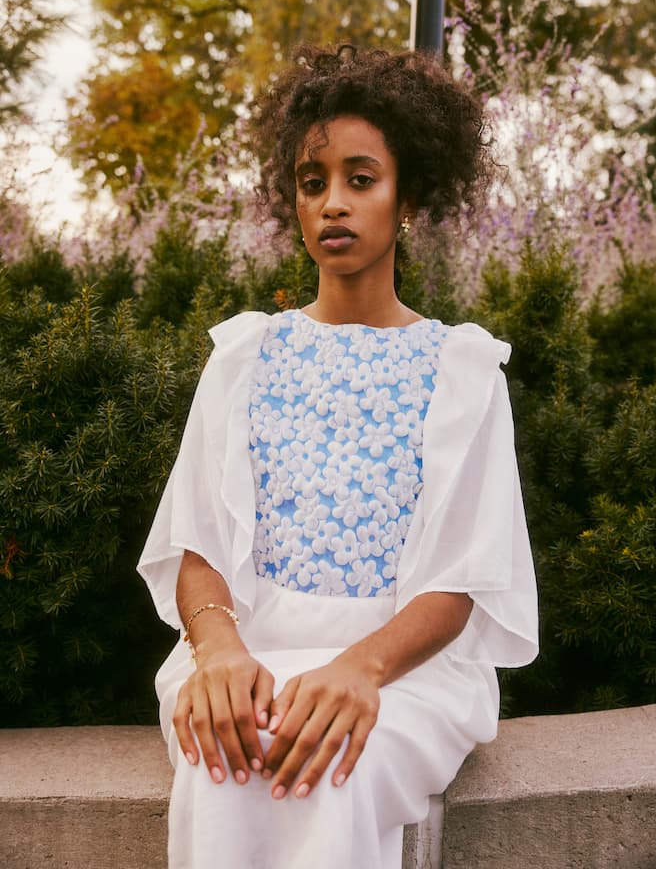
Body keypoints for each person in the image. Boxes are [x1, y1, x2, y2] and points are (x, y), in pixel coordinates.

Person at [138, 44, 538, 869]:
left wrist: (359, 671)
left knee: (332, 765)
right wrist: (218, 654)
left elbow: (460, 582)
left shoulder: (463, 371)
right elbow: (198, 543)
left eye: (361, 178)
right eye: (312, 181)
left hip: (406, 669)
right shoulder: (244, 355)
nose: (333, 203)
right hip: (240, 647)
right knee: (224, 763)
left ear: (409, 196)